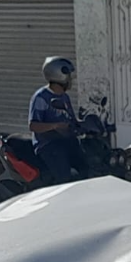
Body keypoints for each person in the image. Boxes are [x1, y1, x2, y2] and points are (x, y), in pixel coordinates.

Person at [29, 56, 88, 184]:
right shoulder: (41, 98)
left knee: (85, 166)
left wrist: (85, 124)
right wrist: (55, 126)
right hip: (47, 144)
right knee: (64, 176)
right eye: (69, 78)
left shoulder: (64, 97)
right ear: (60, 77)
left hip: (65, 139)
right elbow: (33, 126)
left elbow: (71, 118)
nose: (70, 81)